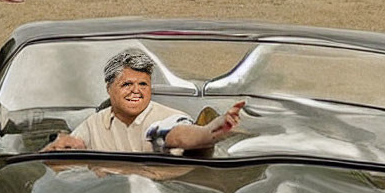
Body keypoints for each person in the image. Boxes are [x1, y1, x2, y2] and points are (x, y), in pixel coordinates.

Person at [43, 49, 245, 153]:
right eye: (127, 84)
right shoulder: (94, 123)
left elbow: (180, 136)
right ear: (108, 89)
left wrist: (213, 129)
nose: (136, 91)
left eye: (143, 85)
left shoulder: (164, 120)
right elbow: (71, 147)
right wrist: (61, 146)